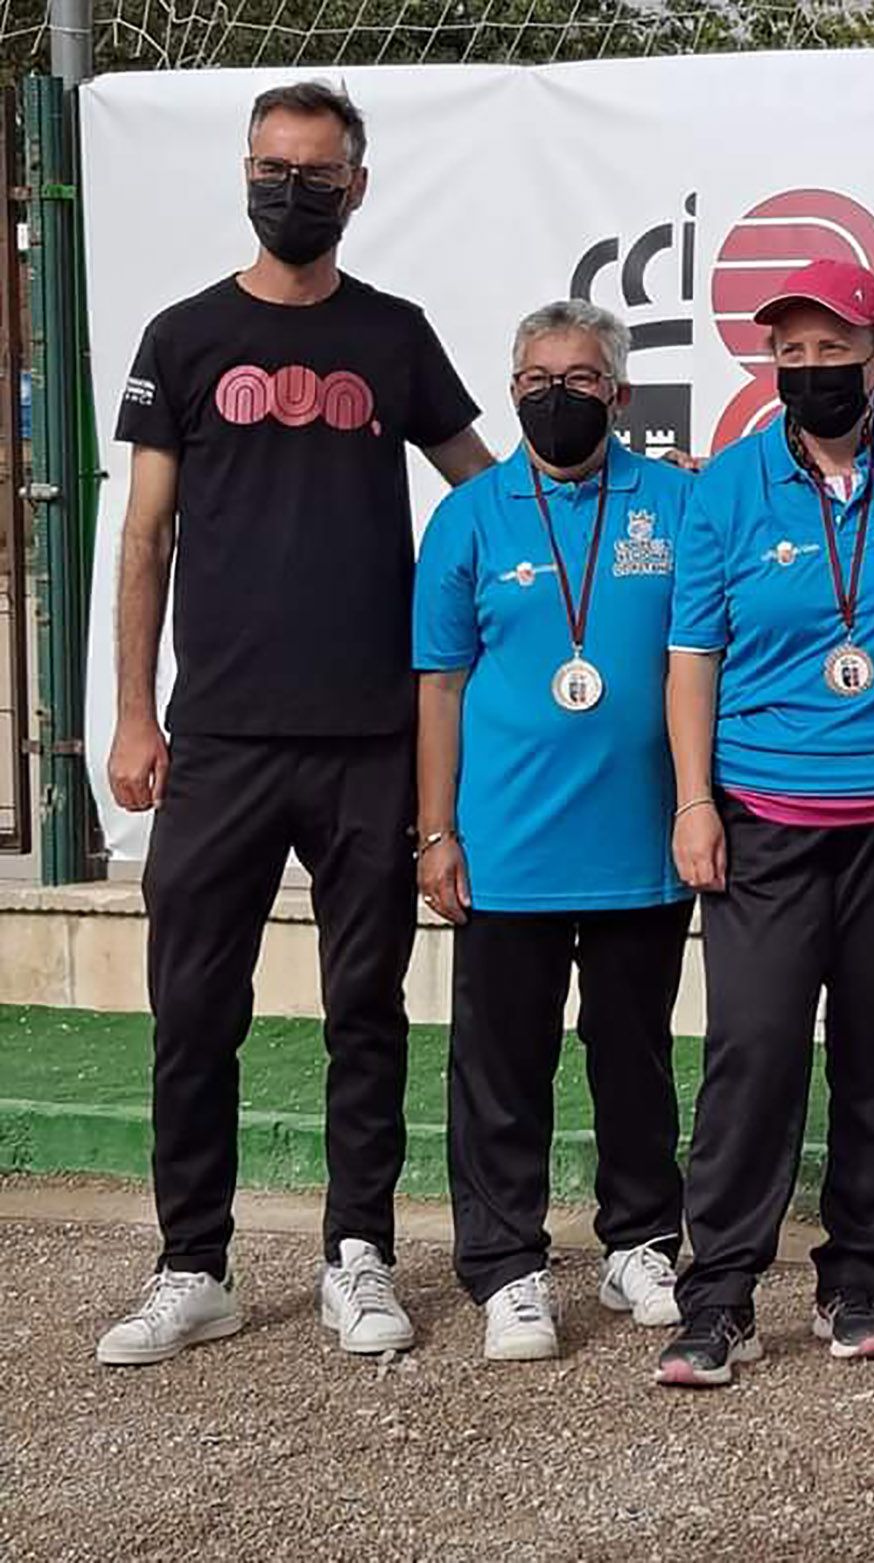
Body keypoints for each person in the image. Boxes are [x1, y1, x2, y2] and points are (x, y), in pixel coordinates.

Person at [98, 81, 491, 1368]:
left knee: (364, 1009)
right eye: (272, 167)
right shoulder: (185, 335)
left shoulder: (395, 336)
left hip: (372, 740)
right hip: (217, 742)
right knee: (191, 1010)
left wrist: (605, 501)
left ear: (356, 189)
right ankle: (191, 1262)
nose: (291, 190)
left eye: (316, 174)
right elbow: (145, 535)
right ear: (244, 174)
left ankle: (357, 1254)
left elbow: (481, 495)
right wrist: (133, 716)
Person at [655, 260, 874, 1388]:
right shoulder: (726, 487)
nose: (812, 372)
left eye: (834, 352)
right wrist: (695, 800)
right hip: (763, 817)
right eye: (789, 356)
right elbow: (692, 656)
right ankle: (720, 1294)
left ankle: (858, 1282)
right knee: (754, 1054)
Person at [411, 301, 697, 1362]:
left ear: (620, 396)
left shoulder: (679, 505)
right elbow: (438, 686)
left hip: (639, 843)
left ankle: (638, 1242)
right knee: (500, 1066)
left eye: (581, 379)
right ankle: (507, 1268)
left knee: (634, 1057)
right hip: (506, 847)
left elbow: (700, 655)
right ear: (511, 388)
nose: (557, 396)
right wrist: (434, 831)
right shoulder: (470, 516)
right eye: (536, 378)